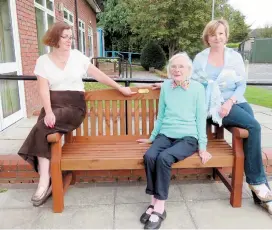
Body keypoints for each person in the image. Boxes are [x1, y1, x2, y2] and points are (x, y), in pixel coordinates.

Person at [18, 22, 136, 207]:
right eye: (65, 37)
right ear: (54, 38)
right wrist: (48, 112)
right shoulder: (43, 60)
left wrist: (120, 88)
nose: (69, 40)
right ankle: (46, 179)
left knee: (41, 129)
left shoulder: (77, 57)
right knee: (44, 130)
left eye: (71, 37)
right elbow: (43, 89)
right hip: (53, 105)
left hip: (74, 107)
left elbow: (98, 75)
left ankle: (44, 181)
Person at [193, 19, 272, 214]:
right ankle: (258, 183)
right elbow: (191, 82)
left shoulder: (234, 57)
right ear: (207, 38)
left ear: (226, 36)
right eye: (213, 34)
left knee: (250, 132)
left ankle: (259, 195)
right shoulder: (200, 58)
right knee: (254, 127)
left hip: (235, 102)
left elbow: (241, 85)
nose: (217, 37)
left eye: (221, 33)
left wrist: (230, 102)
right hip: (213, 107)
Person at [137, 53, 212, 229]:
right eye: (173, 66)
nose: (177, 70)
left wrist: (203, 147)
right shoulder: (166, 87)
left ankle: (160, 207)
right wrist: (152, 137)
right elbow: (161, 115)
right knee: (150, 156)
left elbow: (201, 118)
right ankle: (153, 201)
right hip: (166, 134)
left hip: (188, 137)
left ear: (189, 70)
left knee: (164, 158)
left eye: (181, 67)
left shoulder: (197, 88)